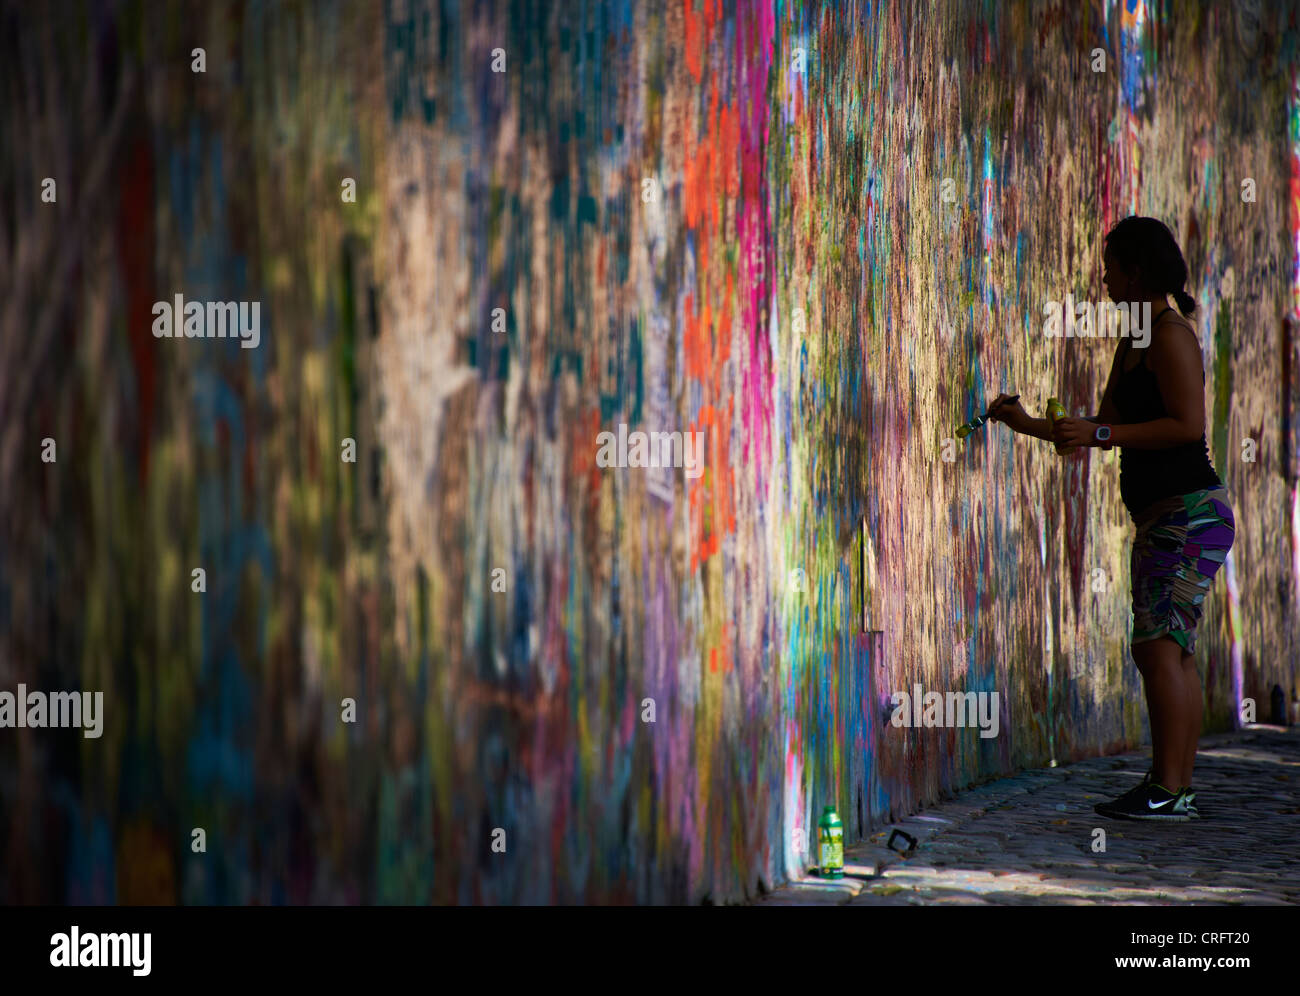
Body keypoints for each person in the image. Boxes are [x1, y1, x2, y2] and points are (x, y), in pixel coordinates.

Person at [988, 216, 1235, 822]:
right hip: (1166, 519)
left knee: (1157, 647)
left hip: (1187, 514)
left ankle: (1169, 790)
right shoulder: (1135, 340)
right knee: (1169, 649)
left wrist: (1098, 432)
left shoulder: (1171, 334)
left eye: (1111, 266)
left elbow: (1187, 426)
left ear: (1137, 272)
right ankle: (1171, 786)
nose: (1103, 278)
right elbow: (1102, 429)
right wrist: (1027, 424)